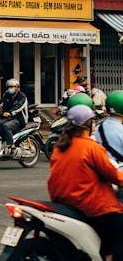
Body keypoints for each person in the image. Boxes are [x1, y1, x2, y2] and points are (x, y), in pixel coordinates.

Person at [48, 104, 123, 261]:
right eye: (92, 120)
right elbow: (112, 174)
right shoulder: (91, 147)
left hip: (63, 201)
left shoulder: (59, 147)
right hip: (89, 204)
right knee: (118, 227)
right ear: (88, 123)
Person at [0, 78, 28, 156]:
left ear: (17, 88)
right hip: (9, 118)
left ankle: (12, 147)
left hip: (19, 119)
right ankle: (3, 143)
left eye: (12, 87)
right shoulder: (7, 95)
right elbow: (0, 104)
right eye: (9, 87)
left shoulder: (22, 96)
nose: (10, 89)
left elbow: (19, 106)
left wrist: (10, 112)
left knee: (6, 126)